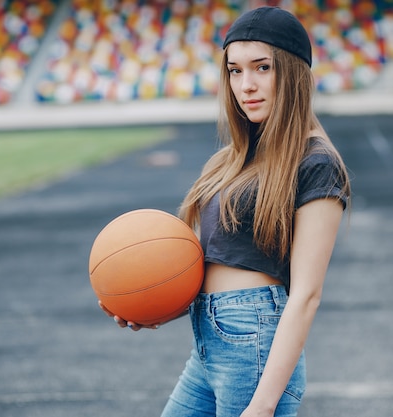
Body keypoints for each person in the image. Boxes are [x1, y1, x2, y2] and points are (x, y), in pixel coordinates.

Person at [99, 6, 351, 417]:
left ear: (294, 73)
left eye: (262, 67)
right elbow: (219, 265)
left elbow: (306, 294)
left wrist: (264, 404)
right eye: (234, 71)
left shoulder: (316, 162)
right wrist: (154, 306)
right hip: (208, 347)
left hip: (255, 348)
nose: (246, 85)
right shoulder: (233, 160)